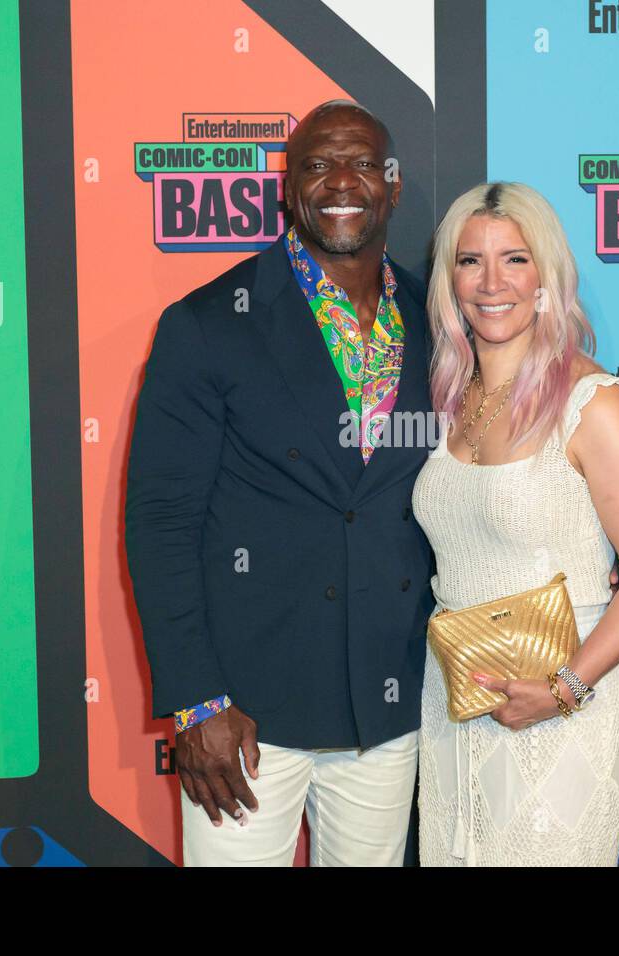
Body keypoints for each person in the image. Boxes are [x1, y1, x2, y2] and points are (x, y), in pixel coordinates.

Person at [124, 99, 437, 866]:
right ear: (286, 188)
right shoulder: (208, 323)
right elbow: (163, 521)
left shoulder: (438, 320)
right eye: (318, 163)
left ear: (392, 187)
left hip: (389, 712)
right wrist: (200, 700)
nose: (342, 180)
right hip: (244, 720)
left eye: (363, 162)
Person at [412, 181, 619, 865]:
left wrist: (565, 691)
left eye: (515, 259)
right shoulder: (453, 397)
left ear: (546, 276)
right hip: (456, 702)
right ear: (450, 280)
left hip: (565, 705)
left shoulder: (594, 405)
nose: (491, 281)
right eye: (470, 261)